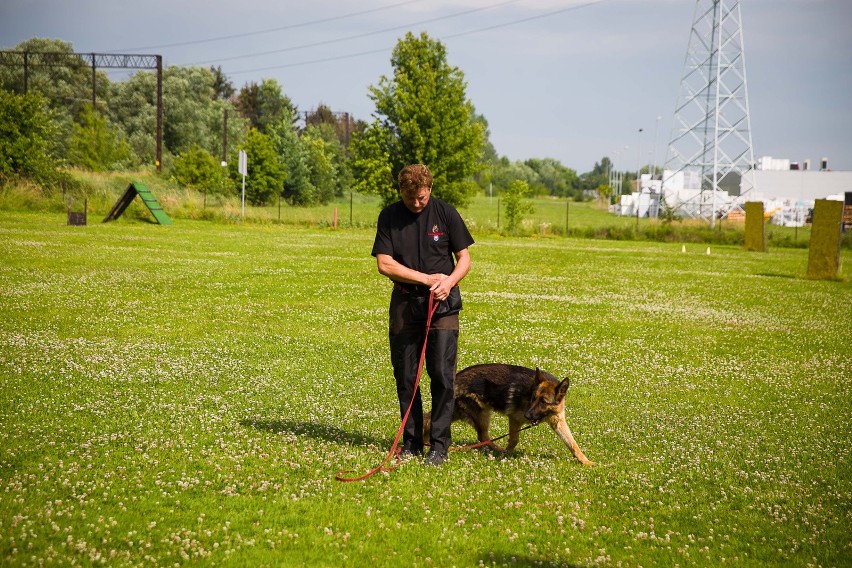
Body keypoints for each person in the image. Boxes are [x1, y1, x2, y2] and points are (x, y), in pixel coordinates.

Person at [371, 164, 474, 466]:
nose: (417, 203)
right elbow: (384, 264)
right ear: (400, 191)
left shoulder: (445, 213)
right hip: (405, 305)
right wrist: (426, 278)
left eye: (422, 198)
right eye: (411, 197)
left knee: (442, 376)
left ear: (430, 190)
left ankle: (439, 445)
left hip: (442, 306)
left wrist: (448, 281)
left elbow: (465, 258)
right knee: (406, 378)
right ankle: (412, 443)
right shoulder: (389, 216)